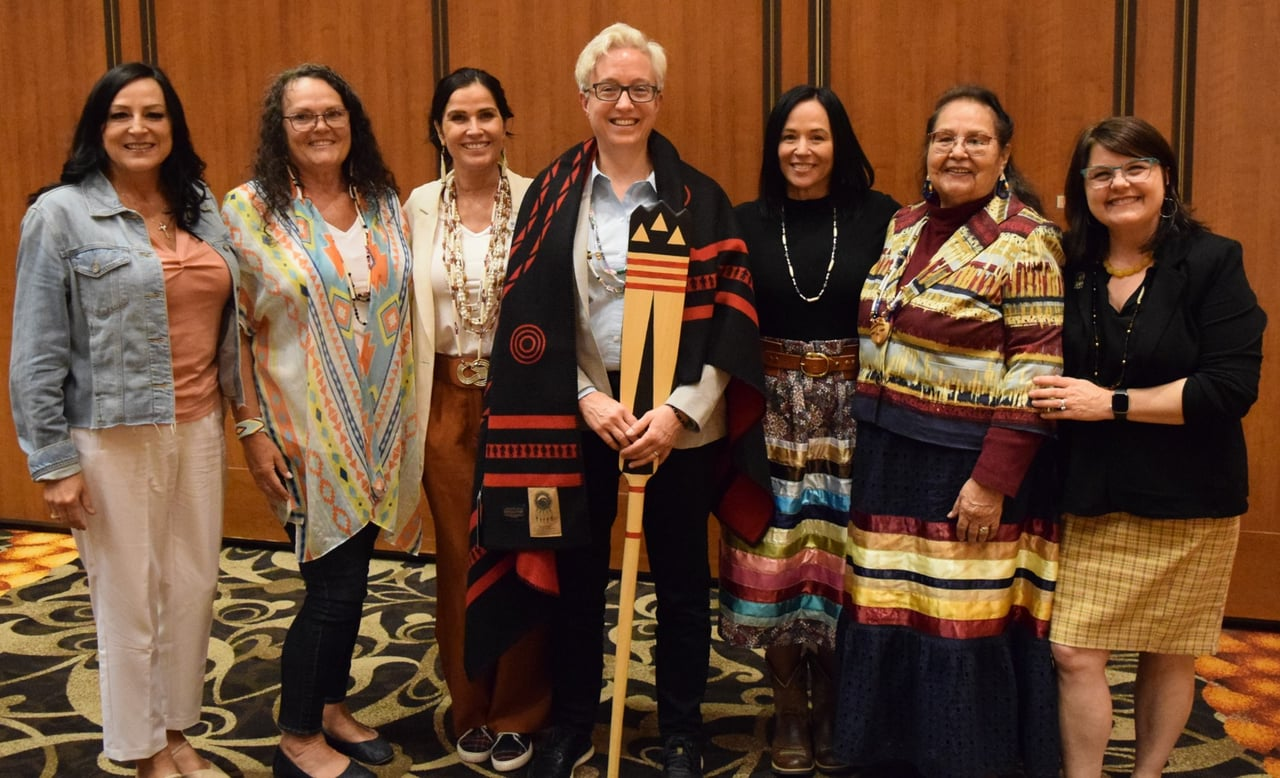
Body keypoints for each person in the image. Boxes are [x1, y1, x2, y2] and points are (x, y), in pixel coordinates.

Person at [463, 22, 770, 778]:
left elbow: (731, 325)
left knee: (681, 585)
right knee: (574, 583)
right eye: (609, 89)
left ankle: (682, 730)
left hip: (676, 433)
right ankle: (572, 720)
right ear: (584, 99)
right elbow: (528, 322)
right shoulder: (550, 194)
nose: (623, 103)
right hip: (583, 430)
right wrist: (584, 402)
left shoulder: (700, 198)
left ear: (658, 99)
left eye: (639, 89)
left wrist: (678, 413)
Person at [9, 62, 237, 778]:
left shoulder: (200, 207)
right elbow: (37, 349)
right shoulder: (61, 213)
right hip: (110, 435)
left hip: (198, 425)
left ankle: (173, 729)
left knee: (193, 584)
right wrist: (52, 461)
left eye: (154, 115)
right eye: (120, 115)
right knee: (127, 595)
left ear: (175, 127)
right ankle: (139, 751)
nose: (138, 128)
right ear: (97, 129)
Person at [832, 85, 1065, 778]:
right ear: (927, 149)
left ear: (1004, 154)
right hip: (887, 454)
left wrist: (992, 484)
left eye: (976, 140)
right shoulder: (904, 225)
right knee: (888, 611)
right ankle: (889, 754)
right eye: (945, 138)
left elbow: (1035, 373)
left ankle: (964, 761)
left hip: (965, 466)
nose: (957, 151)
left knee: (959, 627)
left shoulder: (1028, 243)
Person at [1029, 117, 1266, 778]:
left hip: (1191, 495)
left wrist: (1112, 404)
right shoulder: (1068, 265)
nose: (1120, 183)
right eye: (1102, 172)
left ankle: (1149, 772)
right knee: (1075, 651)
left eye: (1136, 167)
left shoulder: (1213, 262)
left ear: (1166, 178)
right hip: (1092, 493)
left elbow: (1229, 387)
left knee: (1171, 650)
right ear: (1083, 188)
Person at [221, 63, 422, 778]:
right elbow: (233, 332)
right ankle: (298, 733)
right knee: (331, 587)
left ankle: (332, 707)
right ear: (281, 129)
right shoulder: (248, 211)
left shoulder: (381, 202)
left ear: (352, 121)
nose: (320, 126)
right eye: (302, 115)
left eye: (332, 112)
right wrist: (250, 432)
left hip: (378, 430)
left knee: (355, 579)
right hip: (300, 435)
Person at [717, 85, 898, 776]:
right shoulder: (743, 222)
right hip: (771, 415)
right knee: (779, 561)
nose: (802, 150)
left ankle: (837, 704)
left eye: (817, 136)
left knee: (847, 566)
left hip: (858, 416)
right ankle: (790, 702)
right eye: (790, 136)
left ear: (839, 144)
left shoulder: (884, 219)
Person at [404, 67, 547, 772]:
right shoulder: (417, 206)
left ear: (505, 121)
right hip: (445, 404)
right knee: (460, 562)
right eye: (458, 117)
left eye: (487, 113)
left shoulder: (542, 199)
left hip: (526, 400)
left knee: (523, 554)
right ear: (439, 129)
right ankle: (470, 706)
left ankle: (519, 710)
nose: (474, 129)